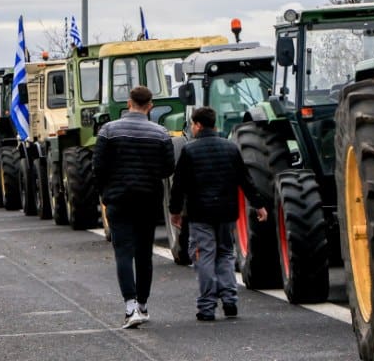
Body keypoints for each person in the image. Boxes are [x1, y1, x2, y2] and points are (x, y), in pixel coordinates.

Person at [168, 106, 269, 321]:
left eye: (192, 124)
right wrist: (258, 205)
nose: (192, 128)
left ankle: (207, 306)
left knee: (204, 255)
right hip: (226, 211)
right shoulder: (230, 148)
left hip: (200, 213)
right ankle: (230, 300)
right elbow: (245, 180)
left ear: (198, 125)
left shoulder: (189, 150)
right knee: (225, 254)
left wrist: (175, 211)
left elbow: (179, 185)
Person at [93, 84, 176, 329]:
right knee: (143, 253)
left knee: (123, 252)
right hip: (148, 199)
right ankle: (143, 304)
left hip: (118, 198)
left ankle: (130, 307)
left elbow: (98, 166)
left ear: (128, 103)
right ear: (150, 106)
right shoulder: (160, 133)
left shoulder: (108, 130)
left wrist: (105, 192)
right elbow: (168, 169)